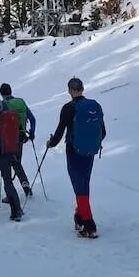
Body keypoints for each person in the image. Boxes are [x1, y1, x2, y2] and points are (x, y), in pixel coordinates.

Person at [46, 77, 106, 238]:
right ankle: (79, 217)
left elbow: (59, 133)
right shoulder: (95, 106)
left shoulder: (68, 108)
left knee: (79, 186)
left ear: (70, 91)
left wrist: (50, 143)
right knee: (84, 183)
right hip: (90, 151)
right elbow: (103, 132)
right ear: (83, 89)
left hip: (74, 151)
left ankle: (89, 224)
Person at [0, 83, 36, 198]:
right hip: (20, 137)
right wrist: (32, 133)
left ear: (1, 94)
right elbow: (32, 119)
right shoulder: (21, 102)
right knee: (16, 163)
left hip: (8, 140)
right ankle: (25, 184)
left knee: (7, 164)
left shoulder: (3, 104)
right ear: (10, 91)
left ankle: (10, 194)